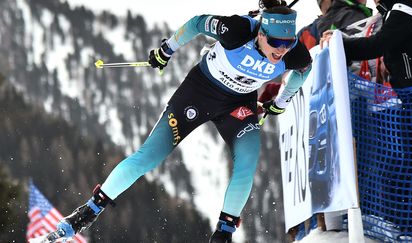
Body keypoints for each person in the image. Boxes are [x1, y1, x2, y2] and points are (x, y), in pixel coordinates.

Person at [53, 2, 312, 243]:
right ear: (261, 33)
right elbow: (198, 23)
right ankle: (87, 212)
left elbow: (304, 69)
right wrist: (167, 50)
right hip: (198, 93)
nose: (281, 50)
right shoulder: (237, 30)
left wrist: (282, 101)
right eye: (276, 42)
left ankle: (223, 234)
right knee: (149, 156)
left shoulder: (292, 53)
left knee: (247, 162)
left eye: (288, 44)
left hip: (238, 105)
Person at [322, 0, 412, 239]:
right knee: (411, 162)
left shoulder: (407, 6)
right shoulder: (399, 8)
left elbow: (378, 45)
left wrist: (340, 44)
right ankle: (410, 226)